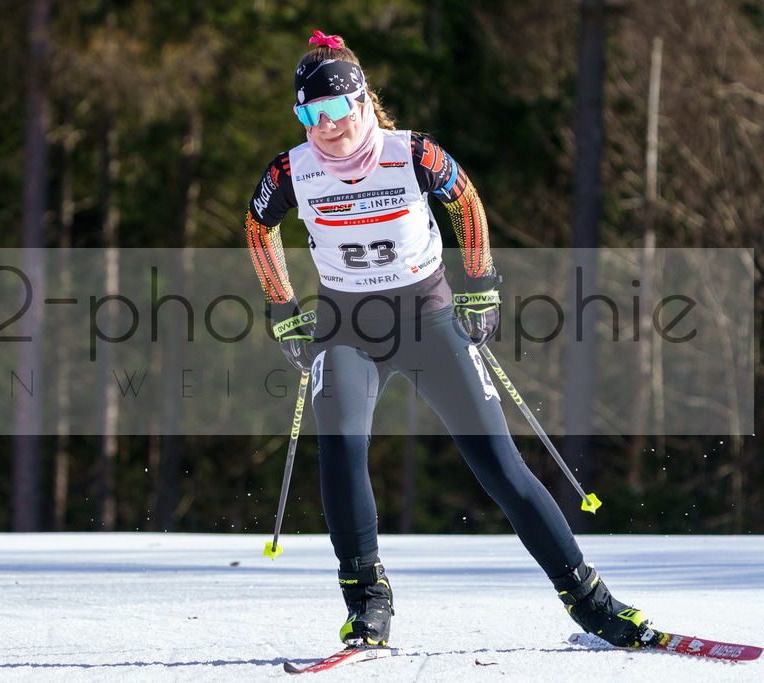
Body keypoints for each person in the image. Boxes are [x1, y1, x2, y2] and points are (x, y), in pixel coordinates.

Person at [244, 30, 653, 650]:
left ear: (360, 103)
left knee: (499, 466)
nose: (323, 126)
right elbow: (257, 225)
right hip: (347, 326)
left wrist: (481, 281)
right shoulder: (290, 170)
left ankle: (591, 601)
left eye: (332, 110)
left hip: (429, 317)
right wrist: (283, 307)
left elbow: (464, 200)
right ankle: (368, 602)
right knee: (342, 451)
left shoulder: (411, 153)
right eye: (308, 113)